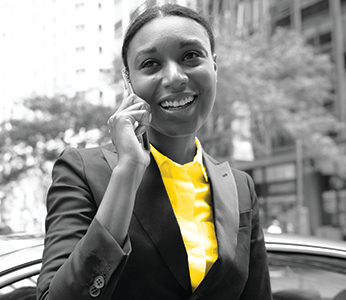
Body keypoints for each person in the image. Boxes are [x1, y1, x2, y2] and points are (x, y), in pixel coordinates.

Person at [36, 2, 272, 299]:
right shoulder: (83, 171)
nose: (174, 77)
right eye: (151, 64)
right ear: (128, 81)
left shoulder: (240, 187)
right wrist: (128, 171)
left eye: (190, 56)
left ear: (214, 66)